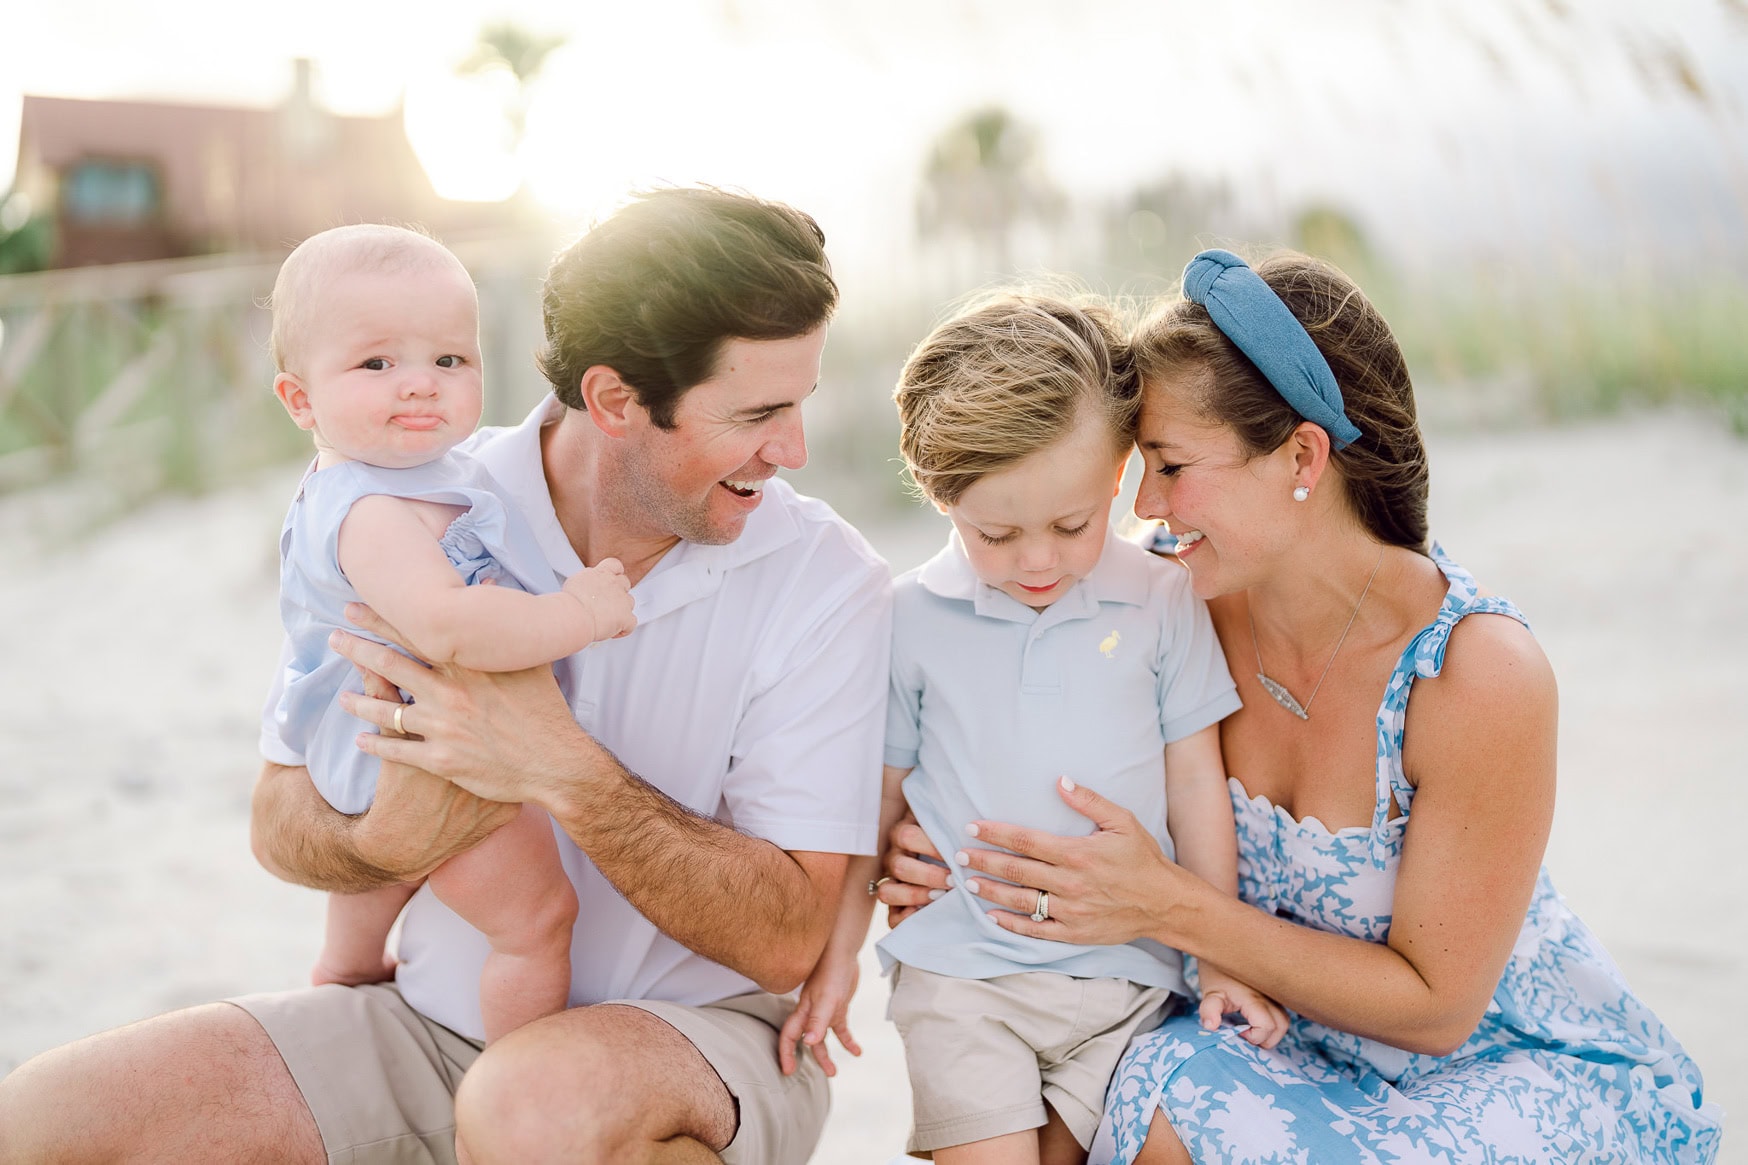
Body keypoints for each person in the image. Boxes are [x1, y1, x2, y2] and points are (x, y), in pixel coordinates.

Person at [0, 187, 892, 1165]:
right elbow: (279, 816)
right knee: (47, 1120)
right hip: (429, 1023)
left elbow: (786, 941)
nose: (792, 450)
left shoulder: (827, 582)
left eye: (797, 405)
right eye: (757, 413)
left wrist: (562, 768)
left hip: (702, 1043)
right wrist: (383, 837)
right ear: (613, 400)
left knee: (535, 1108)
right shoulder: (412, 497)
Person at [877, 250, 1724, 1164]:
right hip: (1266, 1033)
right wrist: (931, 842)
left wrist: (1171, 907)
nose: (1146, 504)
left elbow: (1439, 1006)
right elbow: (996, 714)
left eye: (1169, 465)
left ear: (1302, 457)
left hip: (1491, 1063)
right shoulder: (1168, 601)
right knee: (1088, 1124)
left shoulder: (1477, 672)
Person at [779, 292, 1281, 1165]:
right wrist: (836, 958)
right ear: (942, 497)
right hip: (963, 981)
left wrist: (1225, 958)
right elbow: (881, 798)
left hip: (1130, 983)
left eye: (1073, 524)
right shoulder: (908, 619)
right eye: (997, 532)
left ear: (1120, 472)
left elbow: (1195, 781)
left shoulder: (1163, 601)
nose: (1039, 560)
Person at [266, 223, 636, 1043]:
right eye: (376, 363)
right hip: (421, 753)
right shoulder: (372, 509)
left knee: (384, 871)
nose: (419, 385)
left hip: (369, 743)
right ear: (301, 399)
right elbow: (451, 625)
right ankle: (514, 1069)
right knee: (538, 917)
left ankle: (349, 964)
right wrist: (581, 613)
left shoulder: (424, 473)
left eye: (448, 360)